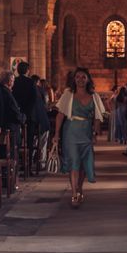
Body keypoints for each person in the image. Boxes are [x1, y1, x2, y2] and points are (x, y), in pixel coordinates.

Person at [53, 67, 105, 208]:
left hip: (86, 132)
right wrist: (56, 134)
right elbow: (60, 115)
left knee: (82, 164)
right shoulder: (68, 94)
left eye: (83, 77)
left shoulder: (93, 96)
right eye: (78, 77)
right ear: (74, 79)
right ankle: (74, 193)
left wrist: (95, 133)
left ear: (88, 79)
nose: (80, 80)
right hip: (71, 132)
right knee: (74, 162)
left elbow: (97, 118)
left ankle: (80, 187)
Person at [13, 61, 38, 166]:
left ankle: (17, 162)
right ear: (28, 71)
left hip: (17, 114)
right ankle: (28, 164)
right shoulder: (31, 82)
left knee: (17, 140)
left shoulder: (15, 81)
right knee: (29, 140)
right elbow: (33, 99)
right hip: (29, 115)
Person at [0, 70, 25, 159]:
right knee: (12, 155)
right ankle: (12, 171)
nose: (13, 83)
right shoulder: (7, 93)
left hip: (1, 127)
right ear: (10, 81)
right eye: (13, 81)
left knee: (2, 154)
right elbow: (15, 114)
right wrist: (23, 117)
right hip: (11, 129)